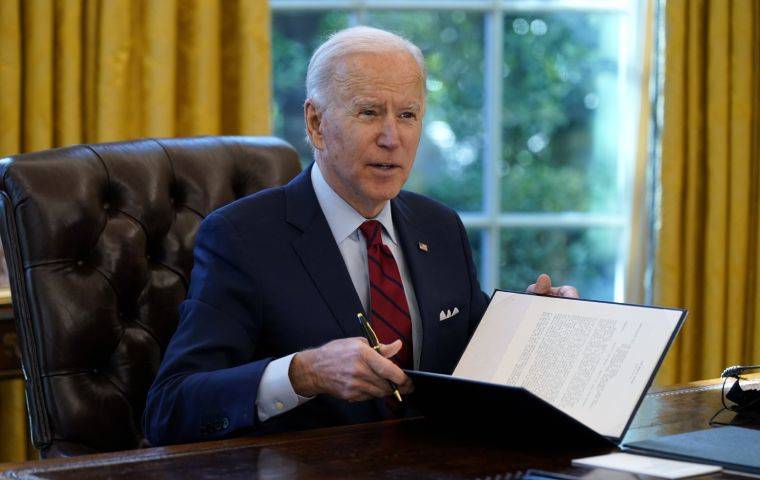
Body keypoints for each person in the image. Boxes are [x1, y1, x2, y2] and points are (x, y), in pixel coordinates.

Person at [143, 26, 578, 446]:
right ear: (315, 124)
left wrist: (533, 325)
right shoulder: (241, 237)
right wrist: (302, 373)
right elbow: (169, 409)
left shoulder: (440, 226)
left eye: (407, 115)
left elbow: (471, 362)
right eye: (369, 112)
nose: (392, 138)